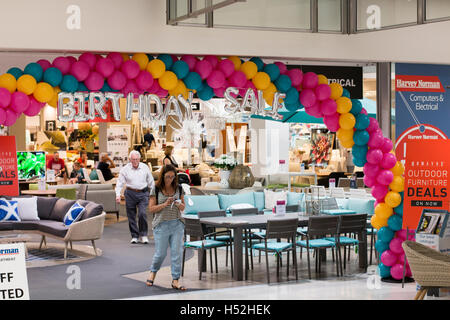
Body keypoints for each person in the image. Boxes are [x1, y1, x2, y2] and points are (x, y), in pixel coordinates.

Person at [146, 164, 186, 291]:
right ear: (162, 176)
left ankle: (175, 280)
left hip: (177, 224)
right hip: (161, 225)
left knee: (177, 253)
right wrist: (165, 204)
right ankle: (153, 271)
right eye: (168, 176)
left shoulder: (179, 188)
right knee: (160, 253)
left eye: (173, 177)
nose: (170, 179)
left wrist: (179, 205)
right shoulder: (156, 189)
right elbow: (151, 209)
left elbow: (184, 206)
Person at [115, 150, 154, 244]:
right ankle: (135, 236)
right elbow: (119, 183)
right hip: (130, 193)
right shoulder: (125, 169)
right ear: (130, 160)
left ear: (139, 159)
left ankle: (144, 235)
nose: (135, 161)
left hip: (143, 193)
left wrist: (153, 194)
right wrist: (118, 194)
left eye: (136, 159)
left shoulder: (145, 168)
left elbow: (151, 182)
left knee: (142, 213)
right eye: (133, 159)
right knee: (131, 216)